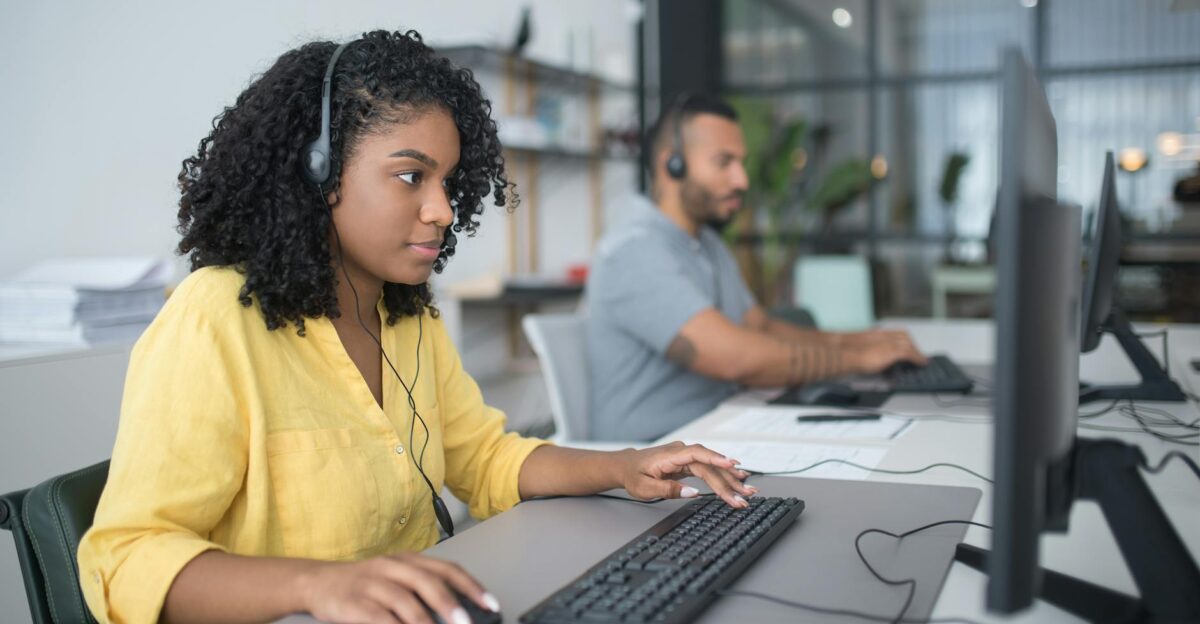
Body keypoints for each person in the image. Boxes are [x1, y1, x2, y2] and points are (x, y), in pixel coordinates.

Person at [77, 32, 754, 624]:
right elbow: (129, 556)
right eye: (410, 177)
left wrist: (624, 466)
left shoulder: (406, 316)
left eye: (448, 183)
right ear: (318, 173)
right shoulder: (214, 319)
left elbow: (484, 460)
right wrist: (321, 586)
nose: (441, 211)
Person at [586, 94, 927, 441]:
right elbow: (737, 359)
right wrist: (857, 360)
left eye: (740, 163)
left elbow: (759, 326)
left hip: (720, 430)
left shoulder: (706, 243)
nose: (741, 181)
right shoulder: (633, 251)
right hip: (654, 460)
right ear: (671, 164)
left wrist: (857, 341)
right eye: (724, 162)